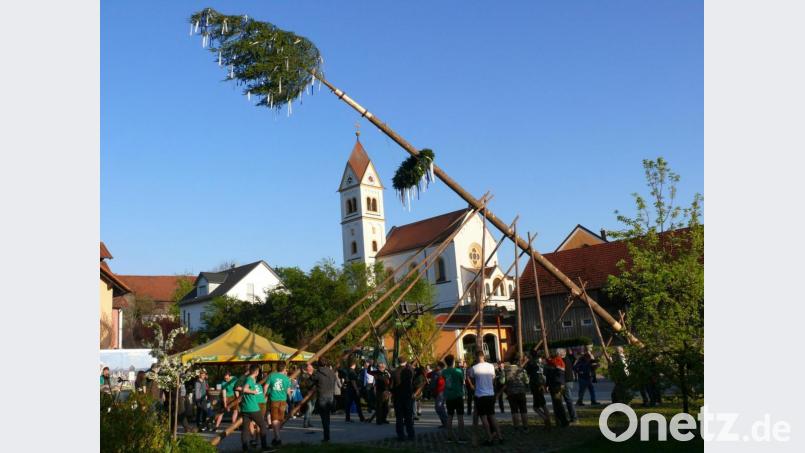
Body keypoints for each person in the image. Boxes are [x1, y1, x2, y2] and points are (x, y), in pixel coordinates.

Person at [467, 351, 502, 445]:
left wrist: (473, 385)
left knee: (484, 418)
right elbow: (493, 377)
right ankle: (500, 437)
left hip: (480, 395)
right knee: (492, 416)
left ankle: (489, 438)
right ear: (484, 356)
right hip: (490, 394)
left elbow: (470, 378)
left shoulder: (474, 368)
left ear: (476, 357)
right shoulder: (491, 366)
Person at [237, 364, 270, 452]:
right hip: (252, 408)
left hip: (245, 408)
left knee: (245, 429)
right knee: (262, 425)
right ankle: (264, 447)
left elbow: (239, 388)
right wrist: (253, 391)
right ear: (256, 372)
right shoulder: (250, 379)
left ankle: (245, 448)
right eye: (258, 371)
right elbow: (244, 389)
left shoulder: (246, 379)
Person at [442, 354, 467, 444]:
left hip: (449, 396)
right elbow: (462, 382)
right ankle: (461, 437)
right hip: (458, 395)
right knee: (460, 417)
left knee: (450, 416)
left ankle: (449, 437)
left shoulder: (444, 372)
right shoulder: (458, 371)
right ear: (453, 362)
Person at [500, 353, 529, 431]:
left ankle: (516, 427)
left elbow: (502, 381)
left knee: (514, 410)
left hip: (511, 393)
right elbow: (527, 381)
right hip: (521, 392)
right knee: (523, 410)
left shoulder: (506, 370)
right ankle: (525, 427)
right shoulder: (522, 369)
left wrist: (502, 371)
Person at [311, 358, 337, 442]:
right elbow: (334, 380)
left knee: (324, 417)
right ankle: (327, 434)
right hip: (330, 396)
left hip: (322, 396)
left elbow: (311, 381)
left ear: (318, 364)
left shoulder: (318, 373)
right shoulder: (331, 372)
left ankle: (326, 436)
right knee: (327, 416)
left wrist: (309, 374)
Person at [390, 356, 415, 441]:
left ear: (398, 362)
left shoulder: (394, 372)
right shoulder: (410, 371)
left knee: (399, 417)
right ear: (405, 362)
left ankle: (401, 435)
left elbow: (391, 386)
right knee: (408, 416)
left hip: (398, 397)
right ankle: (411, 434)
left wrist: (393, 392)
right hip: (408, 396)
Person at [524, 350, 551, 429]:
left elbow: (527, 372)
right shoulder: (541, 362)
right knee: (543, 404)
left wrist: (526, 363)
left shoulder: (531, 363)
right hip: (542, 383)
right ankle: (548, 422)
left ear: (531, 355)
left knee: (536, 407)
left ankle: (546, 419)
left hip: (535, 384)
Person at [267, 362, 292, 447]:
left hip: (274, 399)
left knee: (275, 419)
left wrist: (264, 396)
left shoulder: (272, 376)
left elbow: (266, 386)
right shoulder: (287, 379)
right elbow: (288, 392)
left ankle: (277, 437)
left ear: (277, 367)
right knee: (279, 419)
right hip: (283, 401)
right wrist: (290, 398)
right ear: (284, 368)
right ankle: (277, 437)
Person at [545, 352, 570, 427]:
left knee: (558, 404)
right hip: (561, 385)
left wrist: (547, 385)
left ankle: (563, 421)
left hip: (556, 385)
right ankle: (561, 420)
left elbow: (549, 376)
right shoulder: (561, 361)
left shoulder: (552, 363)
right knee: (558, 403)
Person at [558, 348, 578, 422]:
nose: (557, 355)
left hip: (565, 381)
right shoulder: (568, 358)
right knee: (568, 399)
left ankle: (574, 417)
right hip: (569, 381)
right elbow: (574, 357)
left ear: (561, 354)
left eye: (558, 353)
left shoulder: (563, 360)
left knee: (568, 400)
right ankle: (572, 417)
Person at [299, 362, 316, 429]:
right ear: (306, 369)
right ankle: (305, 422)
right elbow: (305, 384)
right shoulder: (304, 375)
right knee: (309, 407)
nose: (312, 368)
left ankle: (308, 421)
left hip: (313, 393)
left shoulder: (311, 374)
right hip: (307, 393)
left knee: (312, 407)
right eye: (310, 367)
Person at [431, 361, 448, 428]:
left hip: (441, 391)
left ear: (440, 366)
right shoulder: (435, 372)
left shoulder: (441, 373)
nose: (435, 366)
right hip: (437, 392)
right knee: (439, 407)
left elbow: (440, 383)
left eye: (437, 365)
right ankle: (444, 422)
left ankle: (446, 422)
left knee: (439, 407)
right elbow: (428, 375)